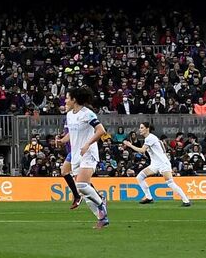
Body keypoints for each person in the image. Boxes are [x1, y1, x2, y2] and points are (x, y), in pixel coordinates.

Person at [62, 88, 110, 229]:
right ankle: (101, 218)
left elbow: (101, 130)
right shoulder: (70, 115)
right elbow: (72, 133)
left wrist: (87, 143)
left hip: (88, 152)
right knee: (83, 189)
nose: (65, 100)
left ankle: (100, 202)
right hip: (76, 154)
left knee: (81, 185)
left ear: (74, 99)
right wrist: (62, 140)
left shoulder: (87, 114)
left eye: (67, 98)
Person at [121, 122, 190, 206]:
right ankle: (148, 197)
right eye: (140, 128)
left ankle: (186, 200)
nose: (140, 129)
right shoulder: (150, 138)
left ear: (147, 129)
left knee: (170, 182)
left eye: (142, 128)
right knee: (140, 177)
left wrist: (130, 145)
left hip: (163, 163)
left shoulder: (150, 138)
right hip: (155, 164)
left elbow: (143, 150)